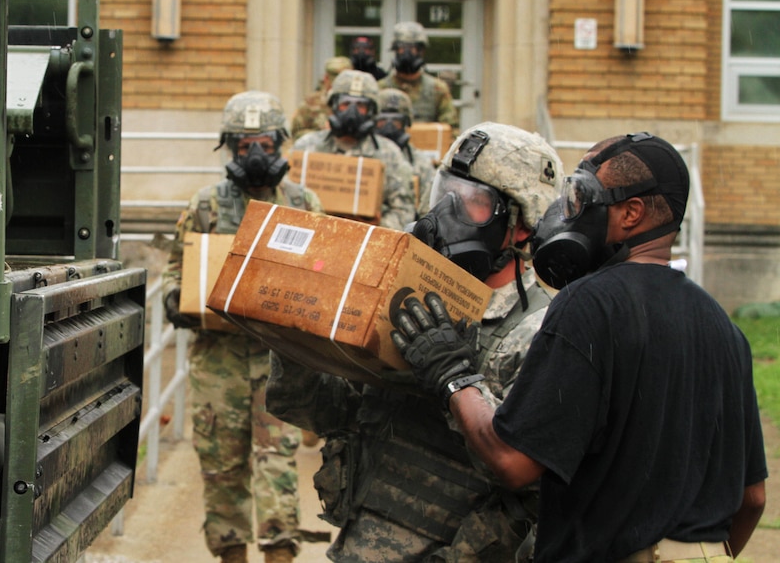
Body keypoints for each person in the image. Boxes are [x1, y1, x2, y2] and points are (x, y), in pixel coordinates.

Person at [392, 132, 769, 562]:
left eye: (582, 198)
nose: (568, 212)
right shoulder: (724, 327)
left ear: (632, 213)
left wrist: (452, 373)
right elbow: (753, 498)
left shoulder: (587, 306)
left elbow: (512, 462)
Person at [267, 122, 565, 562]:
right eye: (444, 193)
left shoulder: (541, 333)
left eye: (471, 202)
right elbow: (327, 414)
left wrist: (455, 381)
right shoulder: (410, 297)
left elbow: (531, 485)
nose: (446, 214)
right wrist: (292, 340)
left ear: (521, 226)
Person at [162, 91, 322, 563]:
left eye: (265, 145)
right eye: (244, 144)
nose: (255, 156)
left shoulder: (303, 202)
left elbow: (324, 273)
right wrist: (177, 297)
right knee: (221, 464)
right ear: (228, 147)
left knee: (276, 462)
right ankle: (231, 553)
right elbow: (178, 267)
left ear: (279, 146)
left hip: (281, 360)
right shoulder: (206, 206)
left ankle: (280, 552)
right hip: (218, 361)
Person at [292, 69, 415, 231]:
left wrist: (376, 226)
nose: (352, 112)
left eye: (361, 106)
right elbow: (287, 201)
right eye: (345, 104)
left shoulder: (389, 154)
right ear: (334, 106)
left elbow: (404, 211)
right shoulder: (306, 148)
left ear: (372, 111)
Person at [378, 21, 458, 130]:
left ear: (421, 51)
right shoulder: (380, 88)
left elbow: (450, 129)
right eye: (402, 47)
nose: (406, 53)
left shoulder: (437, 89)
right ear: (395, 50)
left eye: (411, 48)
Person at [374, 87, 439, 215]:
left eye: (396, 122)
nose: (389, 127)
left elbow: (430, 209)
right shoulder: (365, 155)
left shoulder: (420, 163)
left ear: (406, 123)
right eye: (382, 121)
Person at [290, 55, 353, 143]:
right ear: (326, 78)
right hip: (318, 153)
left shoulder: (357, 104)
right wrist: (321, 133)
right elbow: (296, 134)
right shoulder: (311, 102)